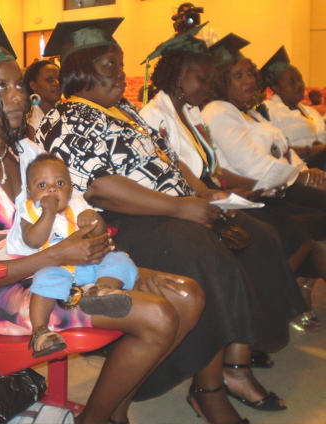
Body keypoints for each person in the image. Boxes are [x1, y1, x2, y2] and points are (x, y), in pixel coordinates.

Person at [0, 11, 204, 424]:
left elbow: (69, 207)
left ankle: (113, 410)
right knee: (158, 314)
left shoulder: (27, 152)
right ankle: (97, 418)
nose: (18, 96)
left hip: (57, 267)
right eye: (1, 87)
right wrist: (57, 256)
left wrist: (90, 226)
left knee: (188, 294)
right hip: (2, 296)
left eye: (19, 84)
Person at [37, 18, 305, 424]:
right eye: (110, 65)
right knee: (206, 254)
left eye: (121, 63)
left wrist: (204, 193)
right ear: (81, 70)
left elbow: (168, 159)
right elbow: (99, 188)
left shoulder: (123, 108)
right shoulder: (67, 117)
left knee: (257, 237)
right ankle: (207, 388)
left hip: (170, 209)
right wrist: (179, 208)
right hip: (123, 222)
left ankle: (237, 361)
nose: (121, 74)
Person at [140, 31, 326, 335]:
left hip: (213, 196)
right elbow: (170, 174)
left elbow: (212, 167)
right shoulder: (154, 116)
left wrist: (229, 189)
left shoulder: (191, 112)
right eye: (202, 78)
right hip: (179, 208)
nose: (206, 85)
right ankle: (263, 319)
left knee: (274, 229)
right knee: (266, 233)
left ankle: (263, 318)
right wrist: (214, 193)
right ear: (180, 75)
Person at [6, 153, 138, 358]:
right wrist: (47, 213)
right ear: (29, 192)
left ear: (70, 188)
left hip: (90, 265)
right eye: (42, 185)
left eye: (60, 183)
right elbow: (33, 240)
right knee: (44, 280)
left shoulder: (78, 204)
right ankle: (40, 331)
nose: (52, 189)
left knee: (119, 259)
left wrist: (93, 218)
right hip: (57, 269)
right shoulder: (28, 210)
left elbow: (101, 233)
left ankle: (102, 291)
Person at [202, 37, 326, 213]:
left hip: (283, 183)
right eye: (238, 75)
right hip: (259, 192)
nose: (248, 80)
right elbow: (250, 164)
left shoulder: (249, 112)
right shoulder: (218, 111)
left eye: (250, 73)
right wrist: (299, 177)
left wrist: (309, 174)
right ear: (221, 81)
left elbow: (284, 150)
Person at [261, 46, 326, 170]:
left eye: (300, 79)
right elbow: (271, 148)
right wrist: (309, 151)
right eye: (292, 82)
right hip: (295, 167)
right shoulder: (268, 111)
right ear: (276, 88)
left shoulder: (311, 112)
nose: (299, 85)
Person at [23, 59, 62, 138]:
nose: (57, 83)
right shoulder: (22, 119)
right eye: (49, 80)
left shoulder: (69, 114)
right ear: (33, 85)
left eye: (59, 79)